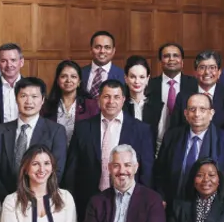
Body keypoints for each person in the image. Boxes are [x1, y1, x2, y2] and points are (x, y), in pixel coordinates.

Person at [64, 79, 155, 213]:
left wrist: (145, 202)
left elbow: (147, 171)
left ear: (123, 99)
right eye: (106, 97)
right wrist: (69, 200)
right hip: (88, 202)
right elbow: (72, 169)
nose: (111, 102)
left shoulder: (141, 130)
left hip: (130, 203)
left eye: (116, 97)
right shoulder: (83, 128)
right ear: (98, 99)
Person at [0, 77, 68, 199]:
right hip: (4, 199)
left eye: (34, 96)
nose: (29, 101)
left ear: (43, 100)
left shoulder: (56, 131)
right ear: (16, 99)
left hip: (41, 200)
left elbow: (57, 170)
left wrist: (35, 195)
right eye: (23, 96)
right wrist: (8, 198)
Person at [157, 92, 224, 202]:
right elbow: (160, 172)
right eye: (192, 109)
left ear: (211, 113)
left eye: (202, 109)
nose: (197, 114)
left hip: (216, 210)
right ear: (186, 114)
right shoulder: (172, 137)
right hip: (174, 206)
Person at [168, 50, 224, 135]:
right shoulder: (183, 96)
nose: (207, 72)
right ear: (195, 72)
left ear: (219, 72)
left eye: (212, 67)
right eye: (202, 67)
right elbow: (175, 130)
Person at [150, 43, 196, 145]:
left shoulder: (194, 85)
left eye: (176, 56)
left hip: (185, 142)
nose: (171, 59)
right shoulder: (149, 85)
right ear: (160, 61)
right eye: (166, 56)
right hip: (156, 142)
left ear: (182, 61)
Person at [42, 60, 98, 145]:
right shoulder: (46, 106)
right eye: (64, 76)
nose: (68, 80)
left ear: (79, 81)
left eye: (73, 76)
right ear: (57, 80)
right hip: (53, 155)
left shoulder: (91, 105)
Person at [123, 56, 162, 137]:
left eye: (142, 77)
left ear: (147, 79)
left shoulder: (158, 106)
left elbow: (160, 139)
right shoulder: (119, 105)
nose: (137, 81)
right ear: (126, 79)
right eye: (132, 77)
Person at [79, 30, 124, 99]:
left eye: (107, 47)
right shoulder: (80, 73)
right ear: (91, 50)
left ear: (113, 51)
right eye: (98, 47)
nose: (102, 51)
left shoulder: (123, 75)